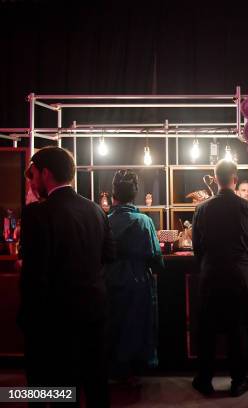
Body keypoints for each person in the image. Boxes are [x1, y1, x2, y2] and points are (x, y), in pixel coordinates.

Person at [19, 146, 114, 407]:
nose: (32, 181)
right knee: (96, 383)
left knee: (60, 387)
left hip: (55, 316)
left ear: (45, 174)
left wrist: (26, 316)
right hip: (95, 310)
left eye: (33, 175)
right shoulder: (96, 210)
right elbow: (109, 255)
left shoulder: (36, 213)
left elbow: (33, 274)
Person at [191, 160, 248, 397]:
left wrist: (209, 261)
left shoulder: (202, 208)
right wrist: (241, 261)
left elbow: (197, 247)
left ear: (215, 177)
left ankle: (204, 379)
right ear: (234, 178)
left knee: (207, 327)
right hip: (238, 273)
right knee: (238, 326)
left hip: (210, 271)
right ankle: (239, 380)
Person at [104, 170, 164, 386]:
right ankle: (131, 371)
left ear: (113, 195)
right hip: (137, 281)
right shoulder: (144, 221)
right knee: (135, 325)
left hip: (109, 280)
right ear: (135, 194)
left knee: (114, 325)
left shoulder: (104, 220)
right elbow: (155, 256)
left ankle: (115, 369)